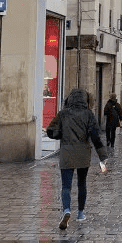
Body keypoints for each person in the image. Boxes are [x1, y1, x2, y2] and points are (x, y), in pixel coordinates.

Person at [47, 88, 107, 230]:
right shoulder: (88, 115)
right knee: (82, 184)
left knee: (66, 186)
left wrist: (61, 135)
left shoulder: (63, 114)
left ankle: (67, 210)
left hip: (67, 152)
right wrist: (103, 156)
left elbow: (50, 131)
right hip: (83, 153)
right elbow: (95, 137)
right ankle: (80, 213)